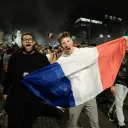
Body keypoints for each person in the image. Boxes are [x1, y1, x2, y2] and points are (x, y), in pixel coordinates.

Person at [3, 33, 50, 128]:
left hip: (33, 97)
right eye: (24, 39)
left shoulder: (42, 58)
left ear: (34, 42)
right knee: (14, 123)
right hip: (16, 96)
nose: (27, 40)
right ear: (22, 43)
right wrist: (5, 91)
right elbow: (9, 75)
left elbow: (47, 76)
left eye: (30, 39)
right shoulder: (15, 57)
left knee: (28, 123)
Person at [57, 32, 100, 128]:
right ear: (61, 46)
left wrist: (121, 42)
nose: (67, 44)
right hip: (75, 97)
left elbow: (102, 51)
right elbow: (51, 74)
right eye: (63, 43)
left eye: (68, 41)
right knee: (72, 125)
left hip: (90, 95)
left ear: (72, 41)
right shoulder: (61, 61)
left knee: (95, 124)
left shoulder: (84, 52)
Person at [108, 51, 128, 128]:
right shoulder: (118, 54)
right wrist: (112, 85)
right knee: (119, 104)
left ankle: (110, 112)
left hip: (127, 83)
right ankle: (121, 123)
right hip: (119, 82)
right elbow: (112, 71)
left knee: (119, 101)